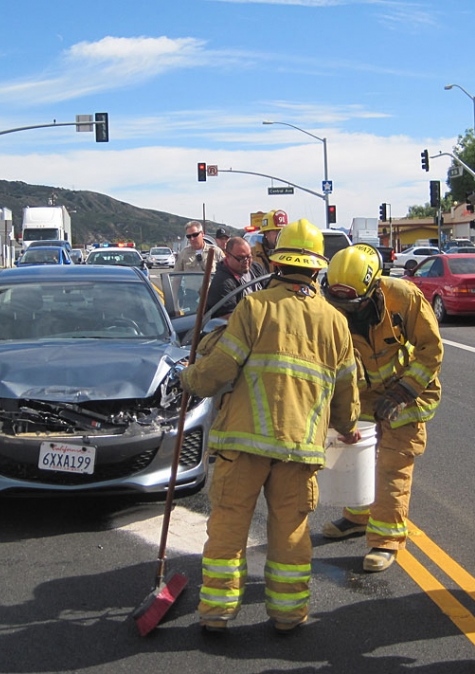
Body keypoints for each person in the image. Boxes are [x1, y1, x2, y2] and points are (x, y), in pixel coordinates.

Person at [180, 218, 360, 634]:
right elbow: (348, 389)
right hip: (299, 450)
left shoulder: (255, 307)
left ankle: (218, 613)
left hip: (243, 445)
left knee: (228, 526)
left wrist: (189, 381)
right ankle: (288, 615)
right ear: (318, 269)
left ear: (276, 265)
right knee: (292, 533)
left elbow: (220, 368)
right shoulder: (335, 322)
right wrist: (347, 425)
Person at [320, 243, 443, 573]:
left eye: (354, 304)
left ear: (374, 288)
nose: (346, 310)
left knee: (392, 464)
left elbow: (431, 349)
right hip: (364, 393)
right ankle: (358, 516)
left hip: (407, 392)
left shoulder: (403, 298)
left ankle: (385, 540)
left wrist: (404, 392)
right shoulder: (329, 306)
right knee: (353, 451)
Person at [204, 237, 269, 319]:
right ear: (227, 256)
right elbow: (228, 317)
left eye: (249, 256)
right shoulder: (222, 282)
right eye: (241, 258)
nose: (246, 262)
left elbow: (270, 289)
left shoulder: (256, 268)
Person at [251, 209, 288, 273]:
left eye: (283, 231)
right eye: (276, 231)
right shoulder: (252, 254)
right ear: (266, 233)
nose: (280, 234)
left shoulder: (290, 254)